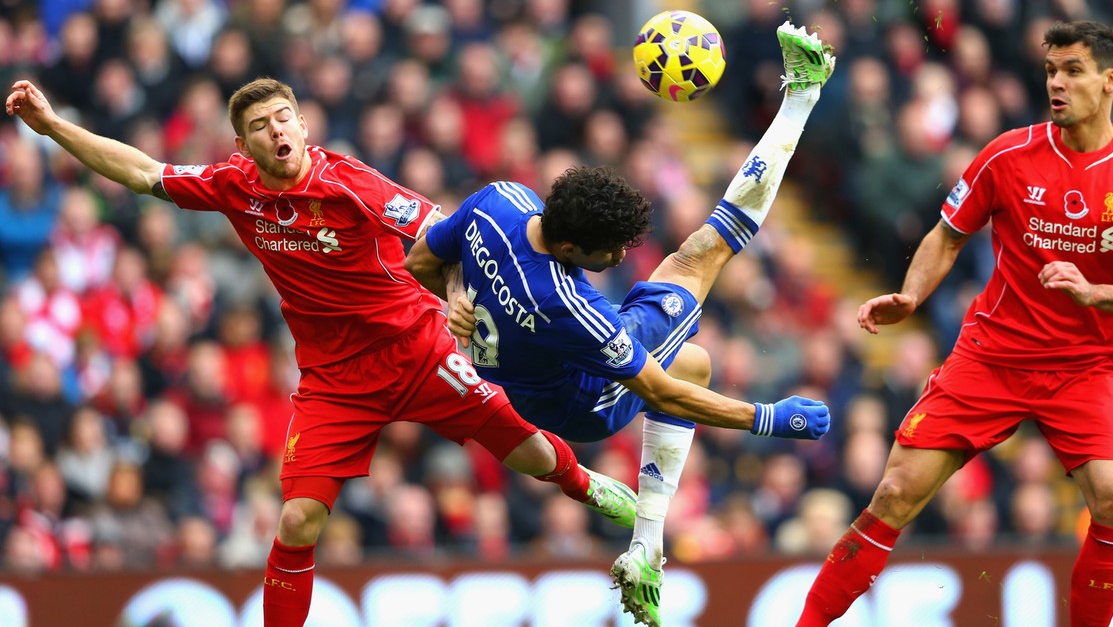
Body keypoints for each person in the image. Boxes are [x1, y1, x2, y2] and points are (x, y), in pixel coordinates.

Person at [5, 76, 640, 627]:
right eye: (259, 125)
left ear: (303, 125)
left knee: (528, 453)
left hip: (416, 346)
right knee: (297, 523)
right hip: (335, 380)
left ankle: (592, 487)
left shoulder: (351, 182)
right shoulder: (233, 186)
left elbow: (445, 233)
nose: (275, 130)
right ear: (243, 145)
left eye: (284, 117)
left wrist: (454, 291)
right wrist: (54, 125)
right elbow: (143, 171)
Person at [405, 21, 837, 627]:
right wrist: (766, 419)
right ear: (574, 245)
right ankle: (801, 97)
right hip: (576, 405)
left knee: (693, 361)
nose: (617, 260)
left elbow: (421, 259)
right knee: (701, 258)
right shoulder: (571, 309)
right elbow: (655, 392)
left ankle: (645, 548)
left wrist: (457, 291)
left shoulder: (499, 200)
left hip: (517, 368)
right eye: (610, 252)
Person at [796, 20, 1113, 627]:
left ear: (1111, 81)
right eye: (1051, 71)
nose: (1057, 84)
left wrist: (1094, 292)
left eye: (1073, 71)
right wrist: (910, 295)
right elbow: (947, 235)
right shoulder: (1007, 154)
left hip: (1085, 369)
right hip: (992, 357)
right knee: (896, 492)